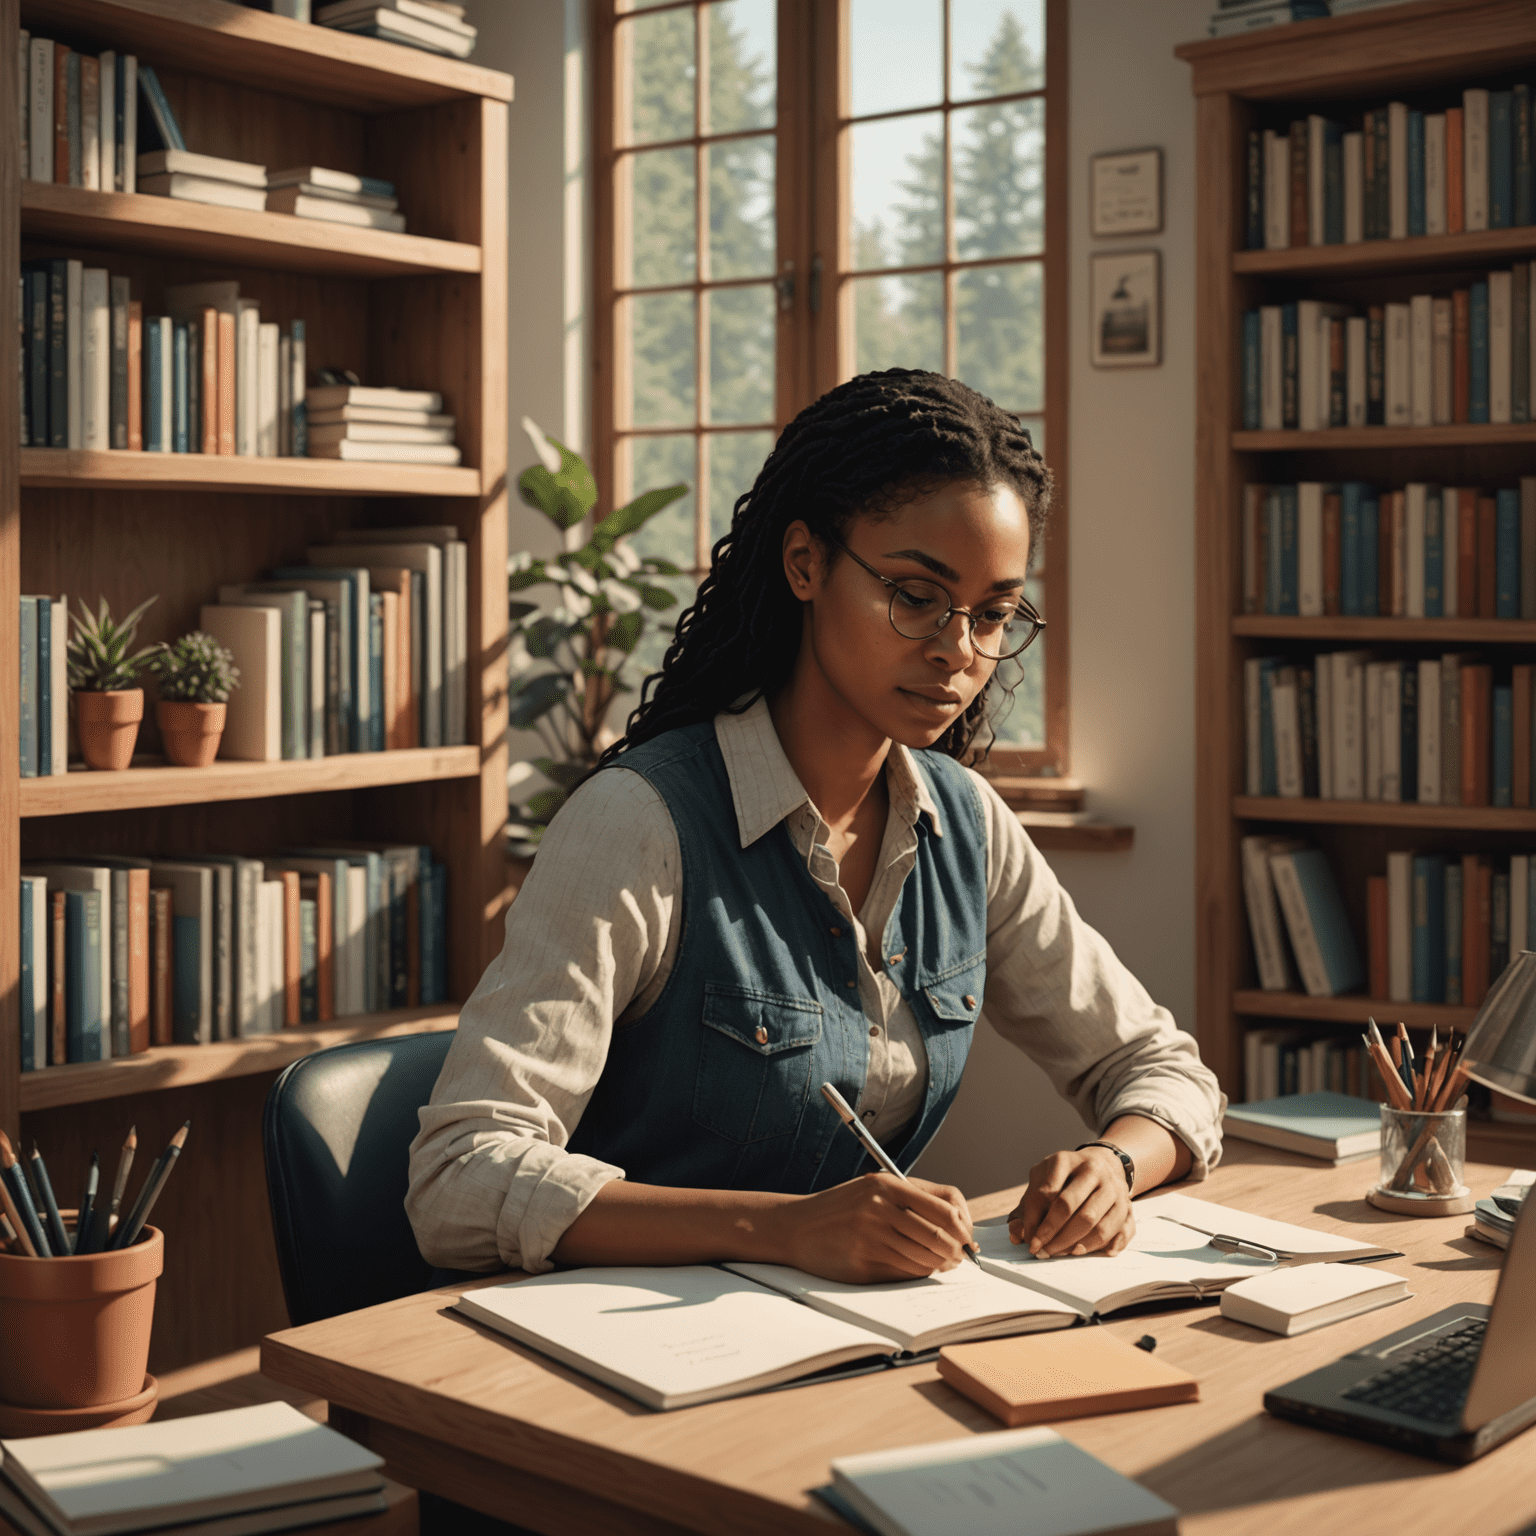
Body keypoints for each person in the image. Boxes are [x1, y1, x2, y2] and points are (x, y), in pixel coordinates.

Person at [407, 369, 1224, 1285]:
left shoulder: (965, 823)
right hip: (622, 1350)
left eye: (993, 615)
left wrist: (1115, 1166)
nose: (959, 652)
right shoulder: (640, 823)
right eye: (917, 596)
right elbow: (460, 1178)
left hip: (843, 1338)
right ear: (805, 563)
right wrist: (784, 1229)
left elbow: (1160, 1068)